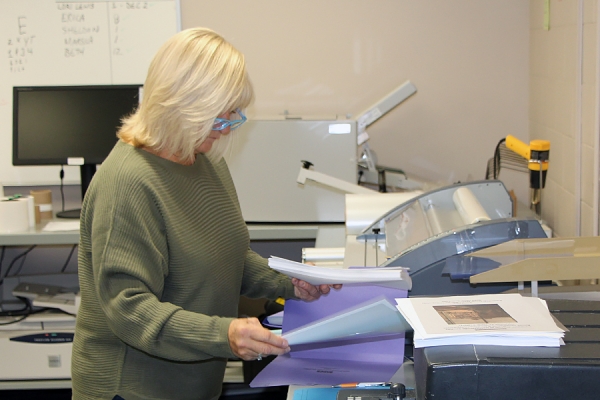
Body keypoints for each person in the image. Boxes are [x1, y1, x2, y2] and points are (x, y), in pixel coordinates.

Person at [71, 27, 339, 400]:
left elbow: (227, 259)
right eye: (220, 114)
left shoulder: (204, 160)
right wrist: (224, 335)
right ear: (181, 104)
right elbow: (129, 308)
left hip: (193, 381)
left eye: (233, 112)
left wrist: (290, 283)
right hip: (134, 388)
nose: (228, 125)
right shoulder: (128, 183)